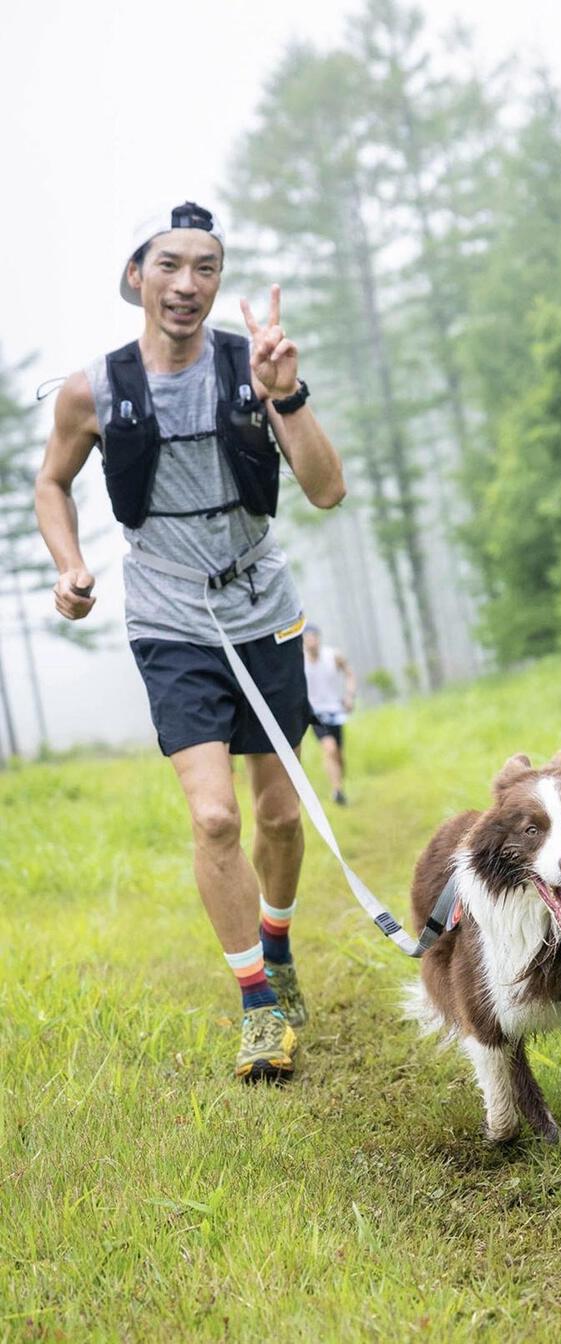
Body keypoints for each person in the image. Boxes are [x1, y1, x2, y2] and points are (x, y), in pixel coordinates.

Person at [35, 201, 346, 1084]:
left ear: (219, 281)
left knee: (281, 816)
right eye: (169, 265)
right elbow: (51, 485)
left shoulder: (253, 369)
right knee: (215, 815)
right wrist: (70, 566)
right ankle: (258, 1008)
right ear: (136, 276)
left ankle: (276, 945)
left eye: (206, 268)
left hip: (263, 609)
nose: (187, 284)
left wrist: (287, 392)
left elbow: (325, 490)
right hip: (170, 617)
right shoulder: (93, 390)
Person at [303, 624, 356, 805]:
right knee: (329, 748)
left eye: (313, 636)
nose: (311, 641)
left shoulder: (333, 656)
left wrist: (349, 696)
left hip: (335, 711)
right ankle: (337, 791)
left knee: (339, 755)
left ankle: (340, 783)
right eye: (307, 637)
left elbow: (349, 674)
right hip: (315, 714)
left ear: (319, 638)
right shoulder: (299, 661)